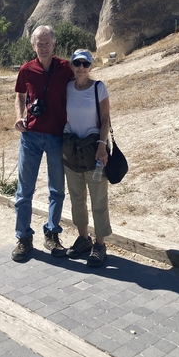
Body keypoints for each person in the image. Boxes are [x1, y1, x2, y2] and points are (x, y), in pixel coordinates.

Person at [12, 25, 74, 262]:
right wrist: (19, 116)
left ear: (54, 44)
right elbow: (19, 95)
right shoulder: (27, 69)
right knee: (23, 191)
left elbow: (81, 86)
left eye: (47, 42)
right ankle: (23, 237)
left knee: (57, 189)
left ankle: (52, 233)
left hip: (58, 136)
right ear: (33, 46)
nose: (44, 47)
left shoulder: (65, 68)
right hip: (31, 136)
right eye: (40, 43)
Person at [62, 49, 112, 267]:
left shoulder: (98, 88)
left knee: (98, 200)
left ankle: (100, 245)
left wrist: (102, 146)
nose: (81, 67)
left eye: (85, 63)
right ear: (72, 66)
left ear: (91, 66)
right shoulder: (67, 88)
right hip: (73, 150)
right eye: (77, 63)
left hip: (94, 150)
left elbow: (105, 118)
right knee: (77, 198)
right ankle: (84, 239)